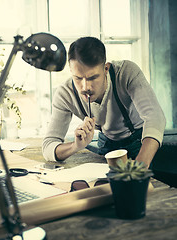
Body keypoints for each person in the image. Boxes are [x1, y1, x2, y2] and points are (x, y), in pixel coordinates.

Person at [42, 36, 166, 172]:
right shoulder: (65, 94)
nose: (85, 87)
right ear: (71, 71)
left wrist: (139, 168)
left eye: (93, 77)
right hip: (106, 143)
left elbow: (155, 117)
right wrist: (76, 146)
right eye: (78, 78)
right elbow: (48, 146)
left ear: (106, 69)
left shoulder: (126, 72)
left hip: (140, 142)